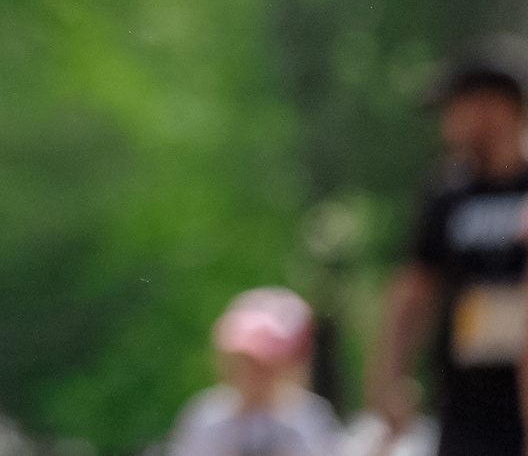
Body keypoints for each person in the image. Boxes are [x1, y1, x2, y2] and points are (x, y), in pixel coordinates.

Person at [366, 41, 528, 456]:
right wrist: (391, 379)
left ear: (496, 106)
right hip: (466, 404)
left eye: (455, 108)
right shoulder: (448, 195)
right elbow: (414, 291)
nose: (447, 124)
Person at [168, 288, 338, 456]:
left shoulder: (306, 420)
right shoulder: (206, 418)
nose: (249, 371)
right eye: (243, 360)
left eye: (262, 363)